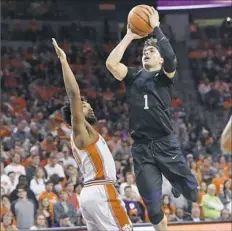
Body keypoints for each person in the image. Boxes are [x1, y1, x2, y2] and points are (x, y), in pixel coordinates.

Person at [106, 6, 198, 231]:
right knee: (154, 211)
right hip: (142, 148)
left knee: (193, 194)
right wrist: (129, 35)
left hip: (165, 143)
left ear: (159, 59)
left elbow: (171, 57)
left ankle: (177, 182)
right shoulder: (133, 75)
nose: (146, 52)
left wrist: (156, 26)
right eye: (144, 51)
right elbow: (111, 64)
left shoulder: (165, 77)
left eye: (151, 51)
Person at [52, 38, 132, 231]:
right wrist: (64, 61)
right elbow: (74, 94)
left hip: (90, 193)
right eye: (85, 106)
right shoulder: (79, 130)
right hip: (102, 190)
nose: (90, 107)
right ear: (77, 111)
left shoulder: (87, 131)